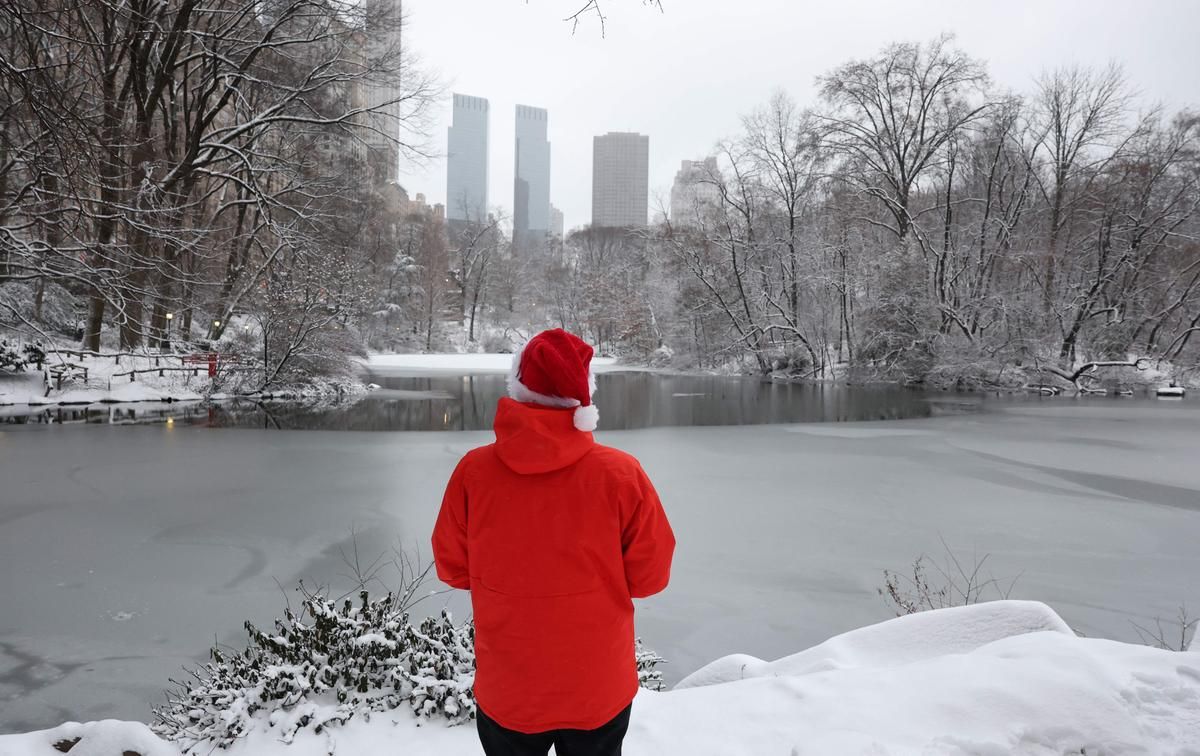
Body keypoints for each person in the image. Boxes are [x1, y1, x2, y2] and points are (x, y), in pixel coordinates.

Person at [432, 328, 676, 756]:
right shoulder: (621, 475)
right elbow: (650, 577)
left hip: (510, 687)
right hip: (597, 687)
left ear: (517, 388)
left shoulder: (473, 473)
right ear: (582, 400)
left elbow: (452, 568)